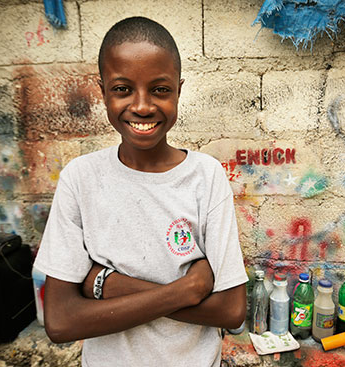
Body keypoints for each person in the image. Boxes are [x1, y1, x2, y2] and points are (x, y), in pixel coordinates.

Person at [33, 16, 248, 367]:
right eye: (122, 89)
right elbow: (60, 320)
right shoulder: (81, 178)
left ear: (178, 89)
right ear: (102, 90)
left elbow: (230, 310)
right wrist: (187, 290)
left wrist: (104, 285)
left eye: (160, 89)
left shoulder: (205, 177)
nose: (143, 106)